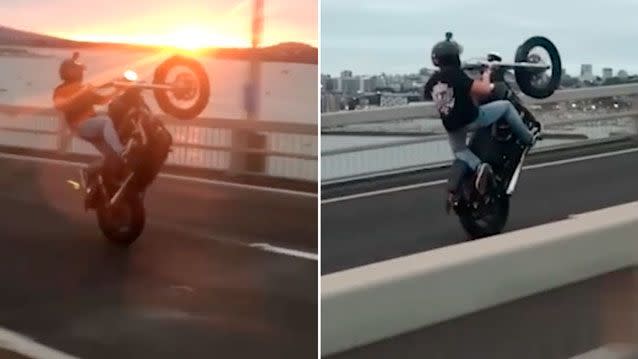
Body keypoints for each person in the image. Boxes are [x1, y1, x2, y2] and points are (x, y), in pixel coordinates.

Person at [424, 32, 539, 195]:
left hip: (452, 126)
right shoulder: (456, 75)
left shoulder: (433, 81)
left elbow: (436, 94)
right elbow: (484, 90)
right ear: (454, 57)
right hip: (471, 118)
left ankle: (479, 167)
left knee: (461, 151)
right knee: (505, 106)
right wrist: (487, 73)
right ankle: (528, 138)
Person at [52, 53, 131, 202]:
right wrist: (80, 92)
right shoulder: (61, 90)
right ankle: (122, 151)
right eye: (78, 70)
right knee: (106, 122)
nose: (81, 73)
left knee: (110, 157)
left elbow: (103, 100)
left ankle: (88, 172)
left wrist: (119, 89)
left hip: (91, 126)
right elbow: (59, 105)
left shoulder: (84, 89)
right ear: (68, 72)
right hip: (80, 126)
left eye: (81, 70)